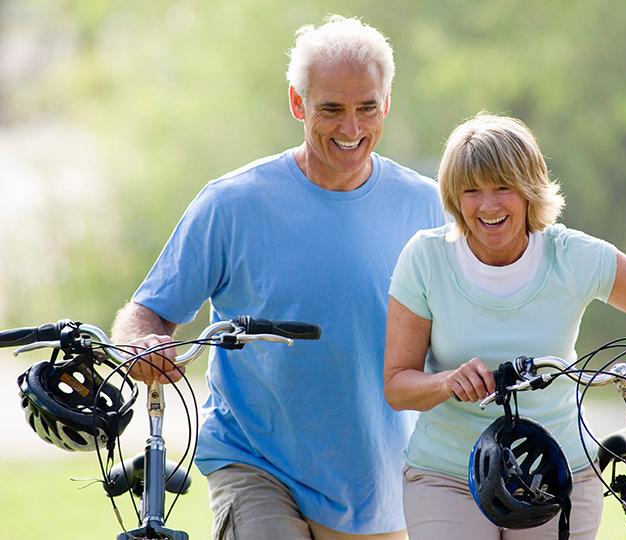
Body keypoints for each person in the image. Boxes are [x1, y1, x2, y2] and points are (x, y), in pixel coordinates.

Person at [111, 15, 446, 540]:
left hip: (379, 483)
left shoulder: (427, 204)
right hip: (256, 460)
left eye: (366, 108)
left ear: (387, 103)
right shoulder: (233, 202)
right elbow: (147, 310)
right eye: (330, 109)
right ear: (297, 104)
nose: (351, 128)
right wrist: (141, 343)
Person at [383, 112, 626, 540]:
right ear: (454, 196)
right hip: (448, 476)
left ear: (529, 189)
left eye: (503, 187)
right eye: (471, 191)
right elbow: (397, 386)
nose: (488, 206)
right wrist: (448, 382)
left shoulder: (573, 257)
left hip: (557, 473)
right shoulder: (425, 259)